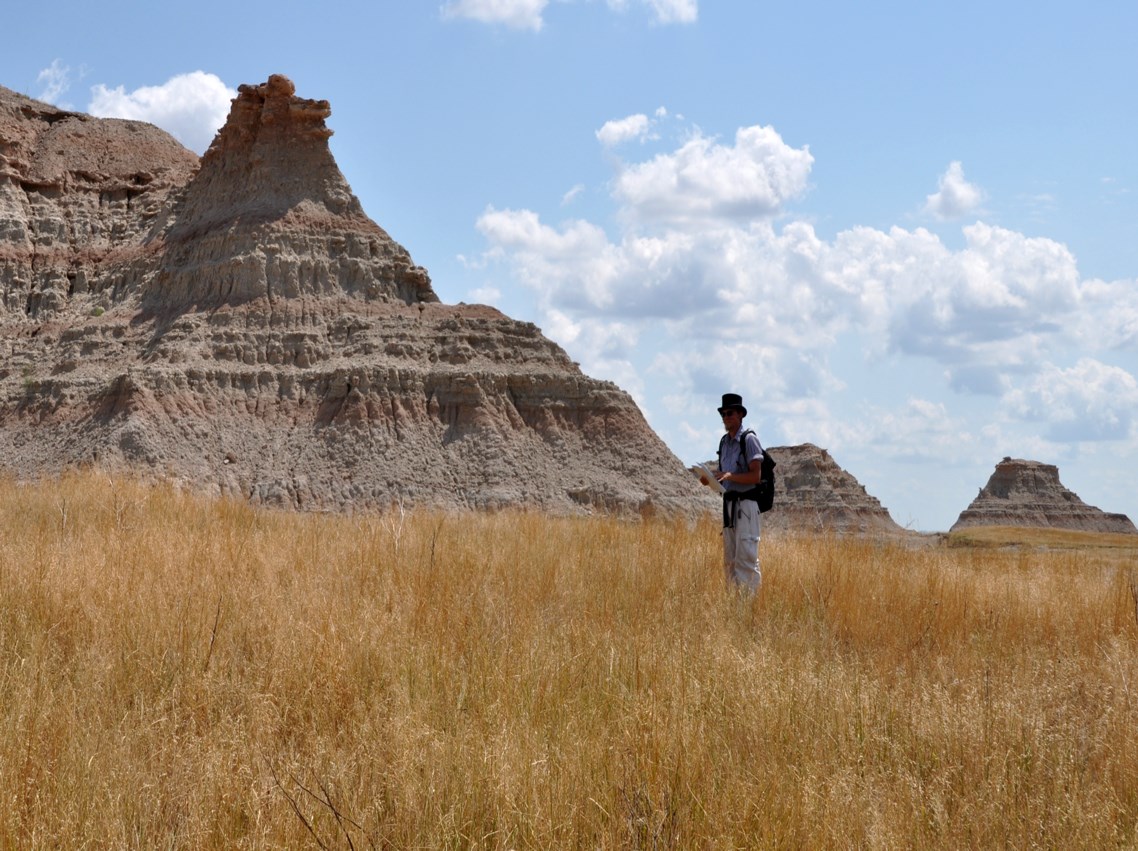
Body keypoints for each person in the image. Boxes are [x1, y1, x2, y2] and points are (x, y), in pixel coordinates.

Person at [715, 393, 764, 593]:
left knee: (746, 560)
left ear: (740, 415)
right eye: (723, 413)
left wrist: (730, 476)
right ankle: (733, 610)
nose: (726, 417)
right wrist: (713, 479)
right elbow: (726, 476)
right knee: (730, 561)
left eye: (730, 413)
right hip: (729, 507)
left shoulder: (749, 439)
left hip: (746, 506)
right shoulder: (724, 443)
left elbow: (755, 476)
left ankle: (749, 611)